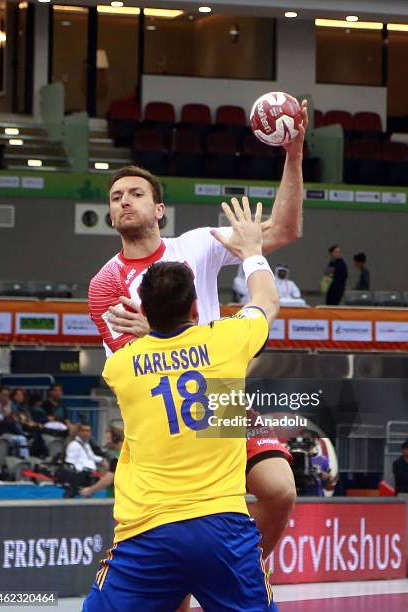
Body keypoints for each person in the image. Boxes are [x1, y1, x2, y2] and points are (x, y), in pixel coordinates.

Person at [88, 106, 307, 560]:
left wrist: (293, 155)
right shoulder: (106, 284)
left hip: (221, 396)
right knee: (176, 546)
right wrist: (170, 336)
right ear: (110, 217)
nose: (124, 201)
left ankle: (247, 570)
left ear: (159, 209)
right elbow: (133, 363)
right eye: (115, 198)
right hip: (163, 413)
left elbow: (285, 229)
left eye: (135, 193)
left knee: (280, 490)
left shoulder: (198, 244)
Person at [83, 199, 282, 611]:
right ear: (196, 307)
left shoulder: (121, 368)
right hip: (222, 528)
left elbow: (151, 345)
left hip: (147, 533)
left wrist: (150, 331)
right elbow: (267, 301)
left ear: (145, 314)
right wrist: (252, 254)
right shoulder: (227, 342)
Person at [80, 426, 124, 498]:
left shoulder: (117, 459)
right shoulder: (127, 455)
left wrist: (89, 490)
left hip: (116, 499)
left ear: (115, 439)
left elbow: (108, 480)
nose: (106, 442)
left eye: (107, 439)